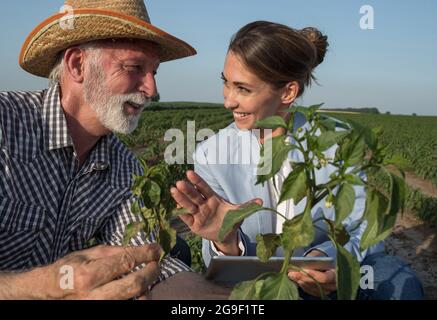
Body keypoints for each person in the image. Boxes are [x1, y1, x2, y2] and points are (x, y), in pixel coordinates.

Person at [171, 21, 424, 299]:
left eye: (242, 89)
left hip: (326, 284)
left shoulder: (334, 141)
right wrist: (224, 240)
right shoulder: (212, 153)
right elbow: (219, 265)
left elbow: (362, 228)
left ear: (288, 92)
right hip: (262, 283)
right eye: (226, 82)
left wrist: (329, 259)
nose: (228, 101)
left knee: (396, 281)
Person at [0, 0, 230, 300]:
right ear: (77, 65)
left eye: (153, 72)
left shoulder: (125, 170)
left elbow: (150, 266)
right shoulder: (6, 127)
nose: (152, 89)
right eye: (134, 68)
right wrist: (43, 285)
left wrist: (239, 301)